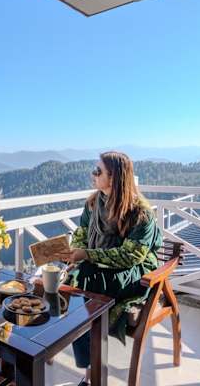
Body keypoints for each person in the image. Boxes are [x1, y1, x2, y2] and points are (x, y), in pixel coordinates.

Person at [61, 151, 163, 386]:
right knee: (72, 278)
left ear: (115, 177)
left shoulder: (140, 213)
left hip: (132, 270)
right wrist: (76, 253)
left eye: (98, 171)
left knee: (86, 283)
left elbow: (131, 256)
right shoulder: (93, 204)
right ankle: (90, 366)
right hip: (97, 264)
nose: (93, 174)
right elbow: (81, 235)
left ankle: (91, 375)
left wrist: (87, 255)